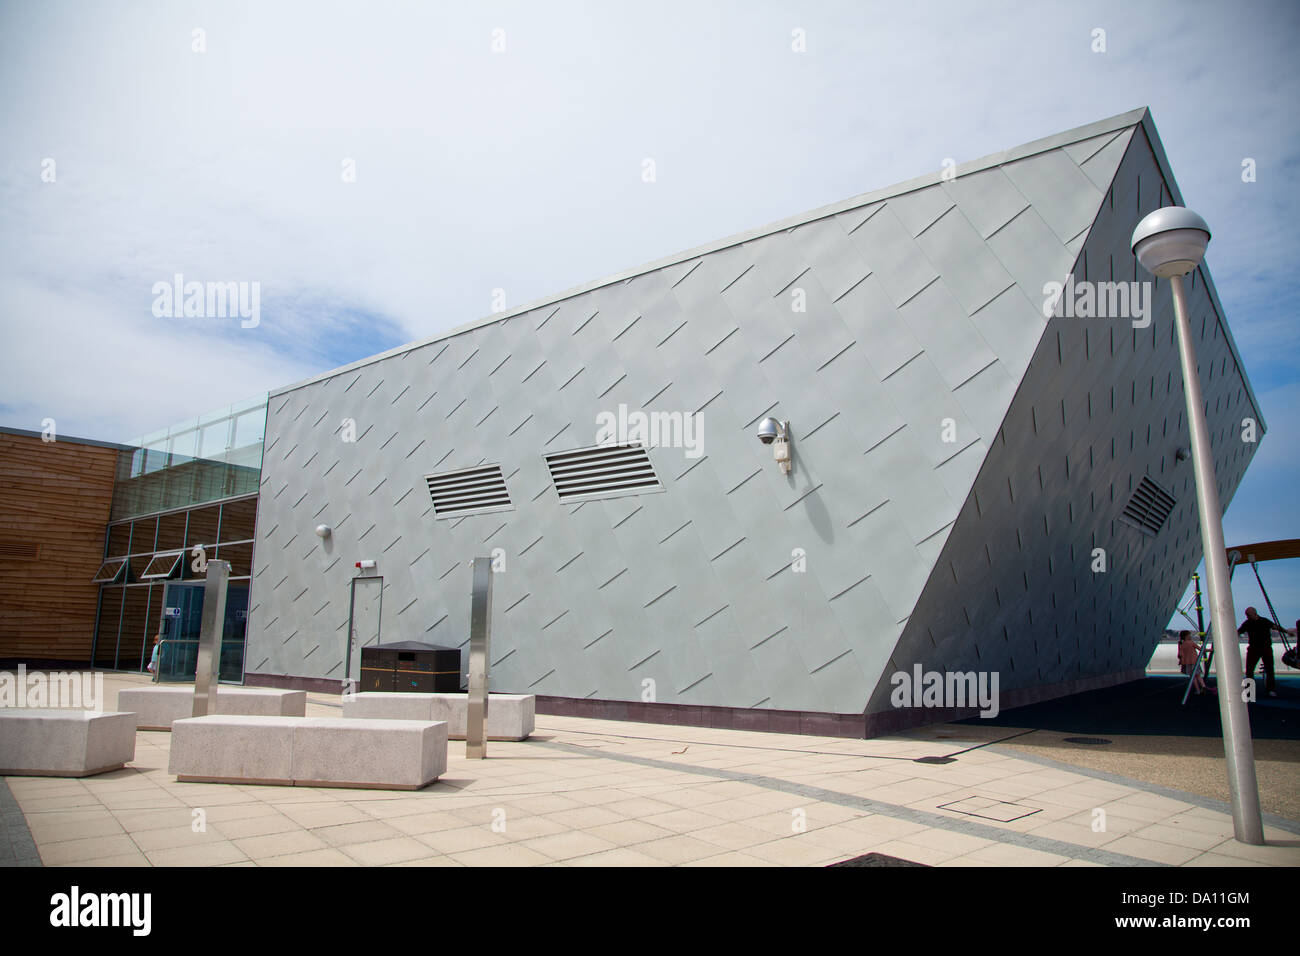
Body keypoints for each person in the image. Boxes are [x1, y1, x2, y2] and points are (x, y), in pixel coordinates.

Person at [1238, 607, 1284, 698]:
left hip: (1265, 648)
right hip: (1254, 649)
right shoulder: (1248, 623)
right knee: (1250, 670)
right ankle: (1250, 692)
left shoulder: (1264, 621)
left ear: (1254, 613)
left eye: (1248, 615)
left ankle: (1270, 689)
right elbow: (1238, 632)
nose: (1247, 617)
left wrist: (1286, 631)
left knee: (1269, 669)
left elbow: (1275, 627)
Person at [1177, 630, 1205, 695]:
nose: (1190, 636)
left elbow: (1180, 654)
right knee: (1198, 675)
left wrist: (1181, 660)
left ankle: (1198, 690)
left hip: (1187, 662)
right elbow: (1201, 649)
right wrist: (1210, 650)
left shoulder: (1181, 643)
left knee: (1192, 677)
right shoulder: (1191, 643)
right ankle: (1203, 686)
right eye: (1189, 635)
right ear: (1186, 636)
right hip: (1194, 661)